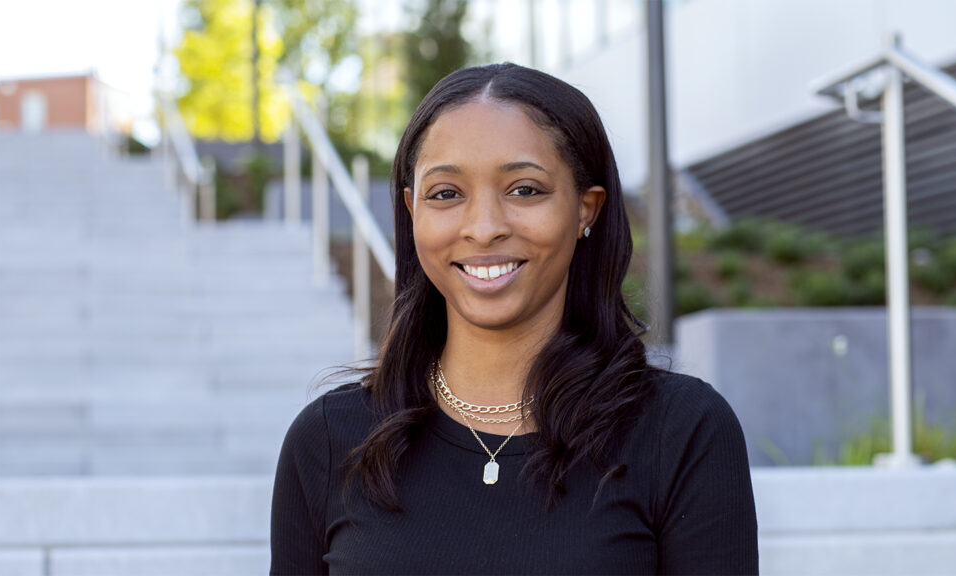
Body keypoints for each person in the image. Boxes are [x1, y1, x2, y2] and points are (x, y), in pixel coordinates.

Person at [270, 63, 758, 575]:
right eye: (446, 194)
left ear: (586, 210)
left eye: (525, 189)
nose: (483, 228)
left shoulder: (681, 432)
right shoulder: (328, 441)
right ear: (413, 212)